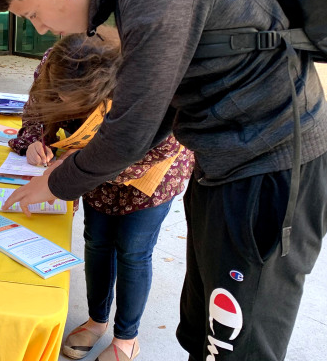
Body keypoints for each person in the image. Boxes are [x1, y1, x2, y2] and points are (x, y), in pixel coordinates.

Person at [0, 0, 327, 361]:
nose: (41, 29)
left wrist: (56, 182)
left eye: (33, 13)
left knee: (231, 346)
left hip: (270, 175)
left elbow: (131, 128)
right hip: (228, 171)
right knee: (200, 332)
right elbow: (159, 113)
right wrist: (67, 169)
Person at [10, 34, 193, 360]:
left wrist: (69, 170)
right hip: (90, 173)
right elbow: (35, 113)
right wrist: (38, 140)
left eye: (80, 105)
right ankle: (97, 320)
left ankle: (126, 339)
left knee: (134, 251)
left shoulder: (145, 84)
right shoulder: (52, 65)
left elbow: (146, 152)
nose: (69, 109)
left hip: (149, 177)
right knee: (96, 242)